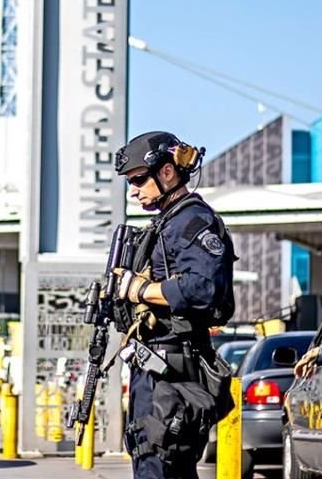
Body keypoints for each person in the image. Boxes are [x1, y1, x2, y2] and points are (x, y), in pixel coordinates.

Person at [113, 131, 236, 479]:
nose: (133, 190)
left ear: (167, 172)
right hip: (157, 371)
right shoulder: (167, 223)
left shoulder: (192, 221)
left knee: (160, 459)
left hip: (173, 372)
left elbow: (203, 287)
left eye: (138, 179)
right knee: (150, 455)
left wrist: (140, 289)